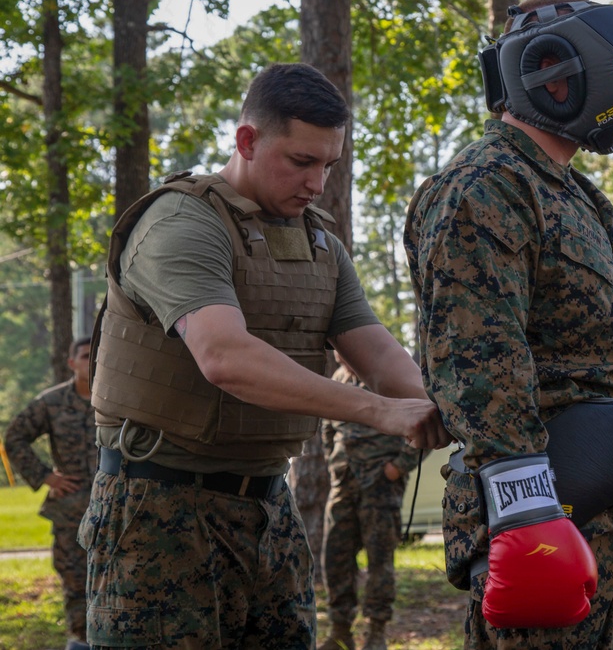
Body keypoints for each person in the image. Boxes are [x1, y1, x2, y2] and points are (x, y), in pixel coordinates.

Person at [81, 62, 451, 650]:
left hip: (267, 509)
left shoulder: (320, 241)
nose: (316, 184)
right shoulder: (180, 224)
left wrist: (437, 407)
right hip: (158, 509)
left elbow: (375, 350)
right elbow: (225, 356)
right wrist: (381, 413)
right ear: (247, 141)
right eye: (301, 162)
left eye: (329, 165)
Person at [405, 0, 613, 650]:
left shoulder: (574, 196)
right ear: (555, 69)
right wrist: (526, 509)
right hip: (552, 511)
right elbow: (476, 357)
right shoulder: (484, 186)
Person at [319, 352, 424, 650]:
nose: (340, 355)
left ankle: (376, 633)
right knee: (335, 557)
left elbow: (422, 423)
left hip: (380, 483)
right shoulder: (338, 379)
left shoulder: (388, 378)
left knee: (380, 561)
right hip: (344, 483)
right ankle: (340, 630)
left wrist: (398, 467)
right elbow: (328, 428)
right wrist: (333, 463)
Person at [4, 336, 96, 650]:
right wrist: (46, 477)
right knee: (75, 584)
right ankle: (80, 643)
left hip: (116, 509)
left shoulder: (117, 400)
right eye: (84, 355)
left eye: (96, 354)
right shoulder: (52, 402)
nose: (90, 360)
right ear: (71, 363)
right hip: (70, 510)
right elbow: (14, 438)